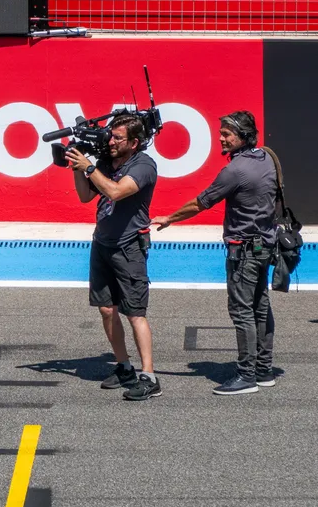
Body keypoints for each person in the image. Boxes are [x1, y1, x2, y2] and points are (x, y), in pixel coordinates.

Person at [152, 111, 277, 396]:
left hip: (244, 249)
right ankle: (264, 369)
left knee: (241, 311)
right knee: (260, 306)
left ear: (243, 137)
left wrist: (170, 218)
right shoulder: (267, 157)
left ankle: (247, 376)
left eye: (226, 134)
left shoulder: (235, 170)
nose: (220, 138)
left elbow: (201, 203)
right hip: (265, 245)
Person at [66, 114, 160, 402]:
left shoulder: (143, 166)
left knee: (135, 313)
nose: (111, 141)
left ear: (134, 142)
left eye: (118, 138)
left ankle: (149, 376)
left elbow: (116, 192)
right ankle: (124, 367)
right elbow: (85, 196)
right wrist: (76, 167)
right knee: (107, 309)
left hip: (129, 246)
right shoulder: (106, 162)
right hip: (103, 243)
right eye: (111, 135)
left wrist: (90, 167)